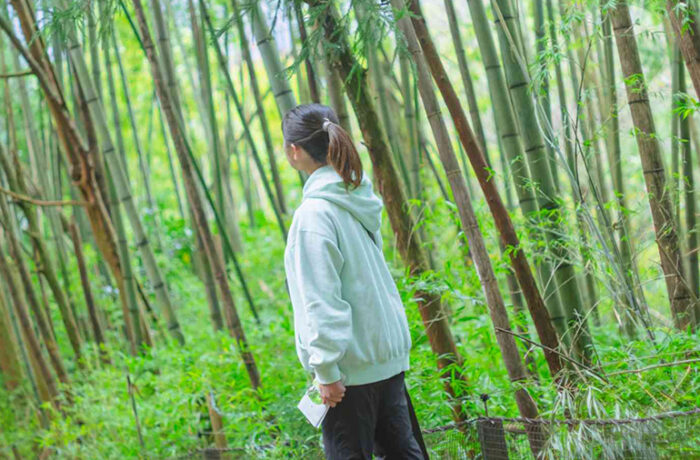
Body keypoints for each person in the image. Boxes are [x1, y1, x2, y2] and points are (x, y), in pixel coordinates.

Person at [282, 103, 427, 460]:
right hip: (384, 361)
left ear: (294, 151)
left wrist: (327, 370)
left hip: (349, 375)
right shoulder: (357, 197)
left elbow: (322, 300)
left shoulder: (314, 215)